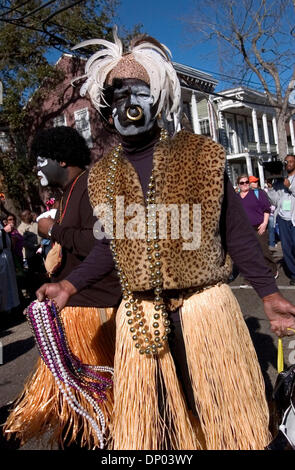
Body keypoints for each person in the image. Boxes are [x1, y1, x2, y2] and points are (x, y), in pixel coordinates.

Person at [19, 31, 295, 450]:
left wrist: (270, 294)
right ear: (105, 106)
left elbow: (235, 232)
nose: (129, 103)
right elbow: (112, 246)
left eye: (138, 90)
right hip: (141, 321)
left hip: (206, 312)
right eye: (116, 94)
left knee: (226, 426)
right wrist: (69, 285)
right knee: (157, 431)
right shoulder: (104, 176)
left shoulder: (200, 154)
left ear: (159, 95)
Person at [4, 126, 121, 449]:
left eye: (42, 160)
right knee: (73, 415)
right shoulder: (70, 192)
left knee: (94, 411)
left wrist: (53, 229)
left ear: (64, 159)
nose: (38, 168)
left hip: (93, 311)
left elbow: (102, 242)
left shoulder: (93, 187)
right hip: (73, 309)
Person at [237, 174, 278, 278]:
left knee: (264, 251)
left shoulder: (257, 193)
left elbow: (266, 209)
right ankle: (252, 275)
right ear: (238, 185)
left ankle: (273, 270)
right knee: (249, 253)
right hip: (245, 230)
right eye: (242, 183)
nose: (245, 184)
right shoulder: (236, 197)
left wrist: (264, 224)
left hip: (259, 227)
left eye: (247, 182)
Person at [267, 154, 295, 285]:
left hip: (294, 219)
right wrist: (271, 188)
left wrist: (290, 186)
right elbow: (274, 200)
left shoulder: (289, 181)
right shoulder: (279, 182)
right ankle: (294, 275)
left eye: (291, 161)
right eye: (286, 162)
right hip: (283, 220)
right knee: (287, 248)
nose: (289, 163)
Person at [0, 220, 20, 313]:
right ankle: (5, 309)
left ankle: (11, 307)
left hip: (6, 254)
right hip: (1, 256)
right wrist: (3, 231)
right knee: (3, 284)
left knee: (9, 282)